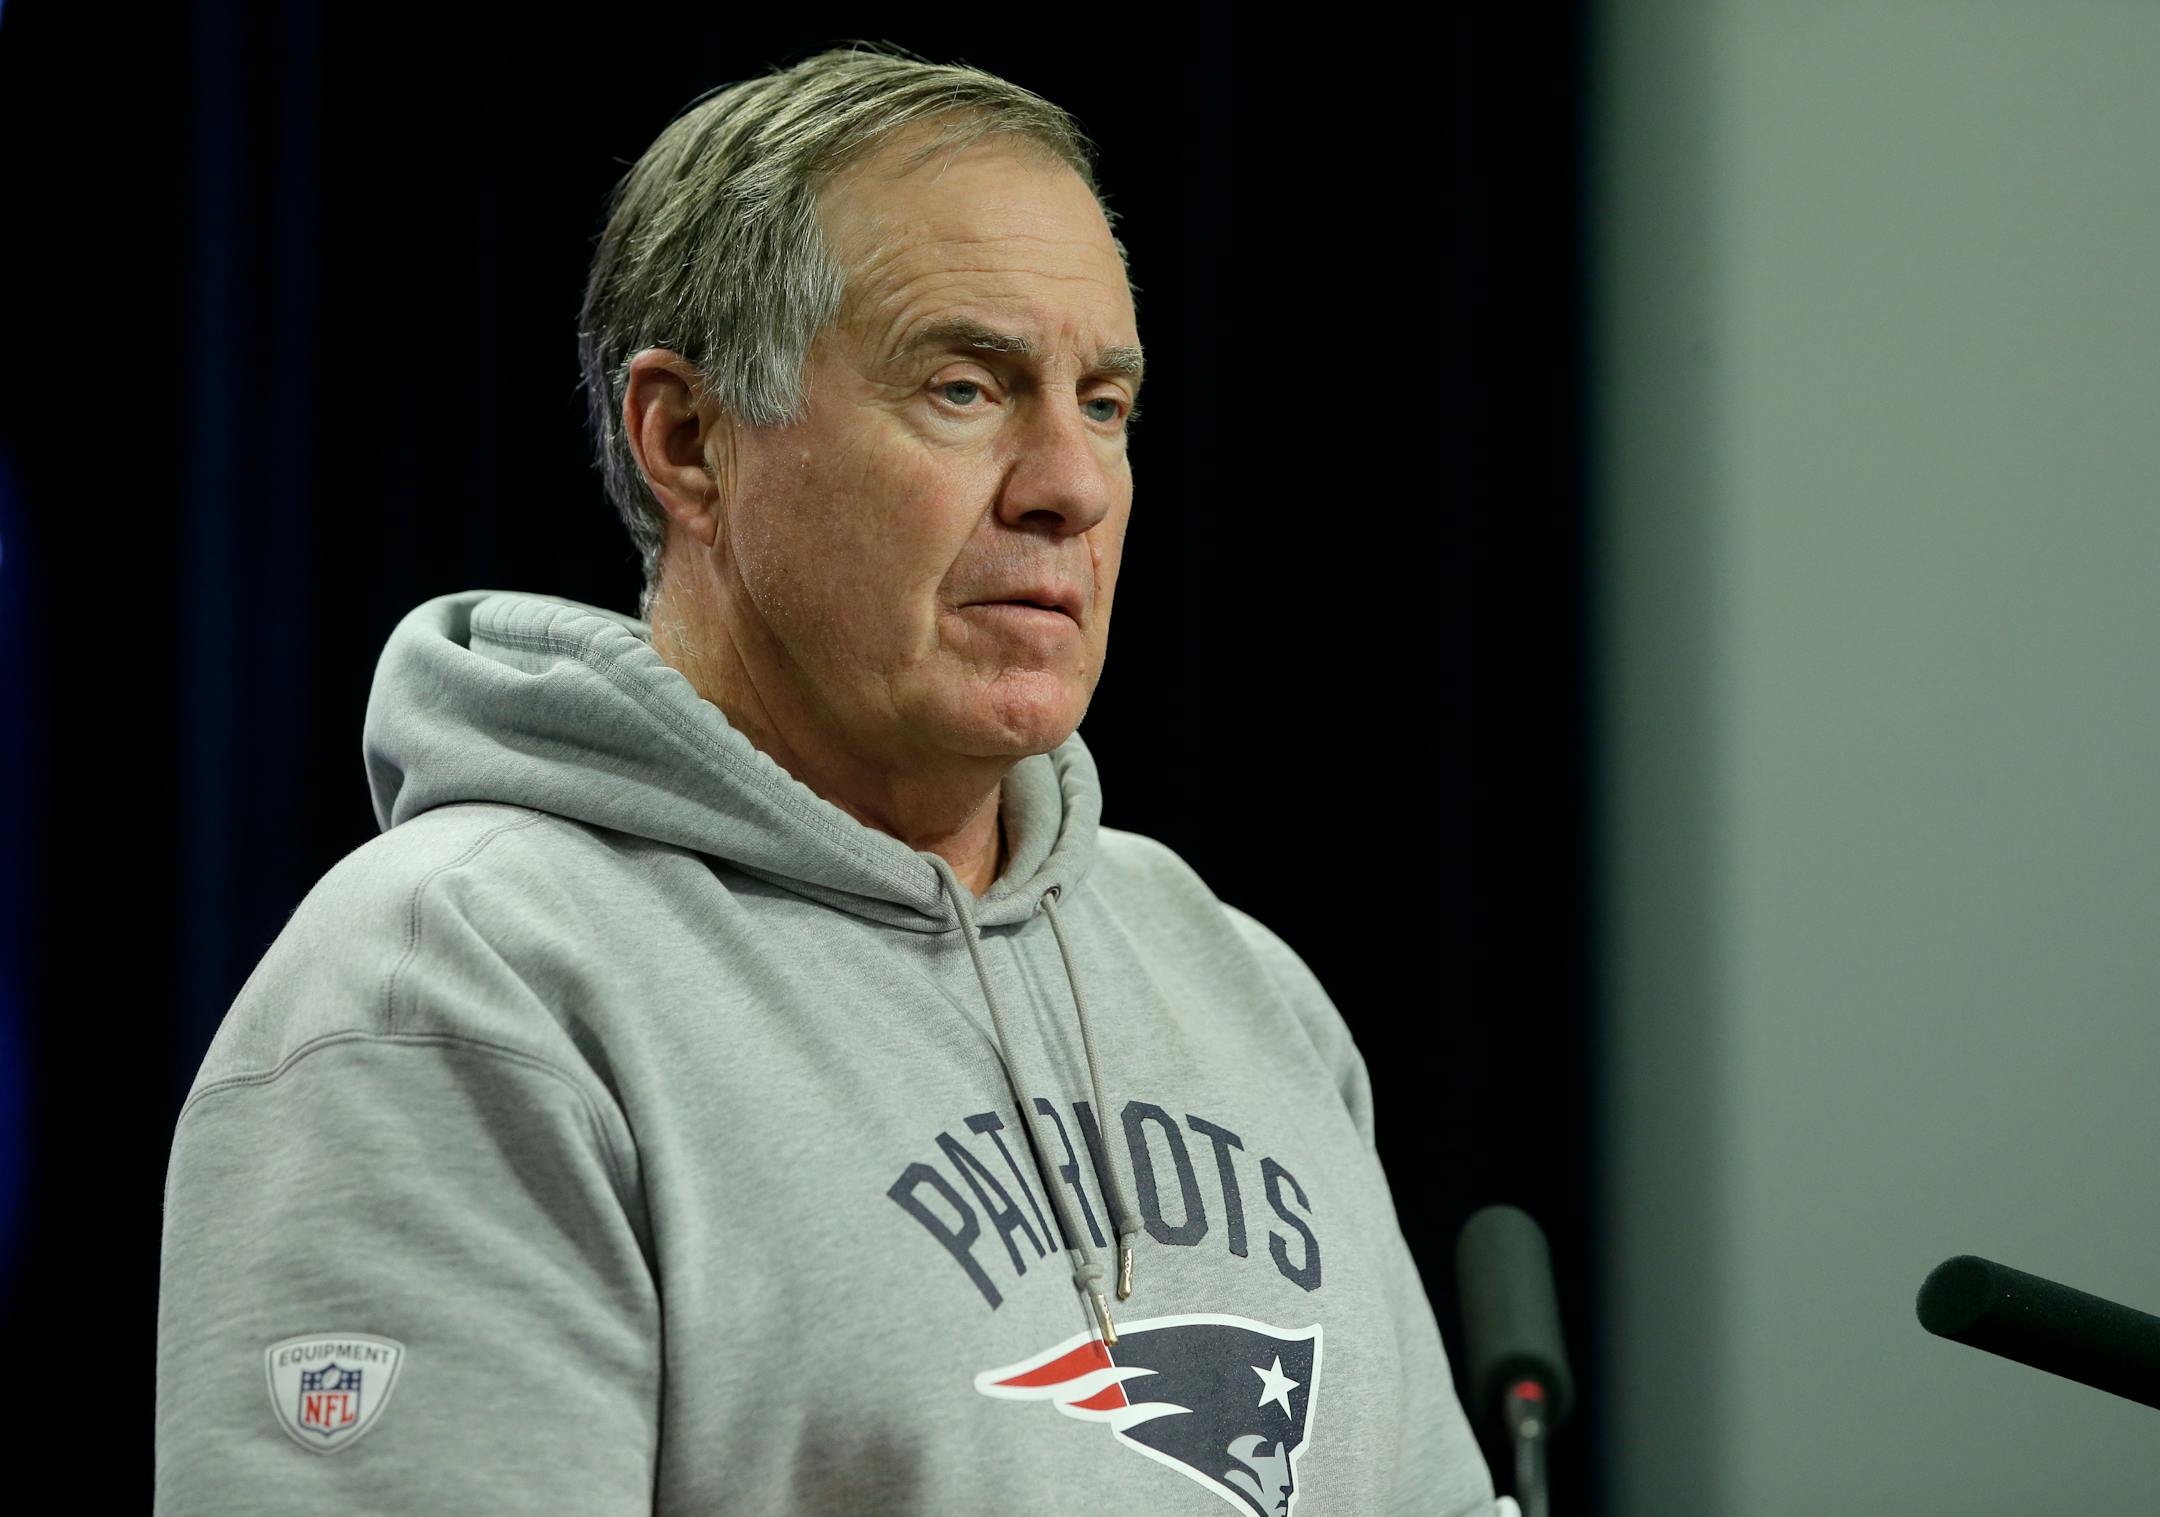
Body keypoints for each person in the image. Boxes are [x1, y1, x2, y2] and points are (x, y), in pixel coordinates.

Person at [154, 45, 1503, 1516]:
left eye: (1104, 401)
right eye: (965, 385)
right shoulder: (467, 986)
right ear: (688, 438)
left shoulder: (1236, 980)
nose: (1073, 483)